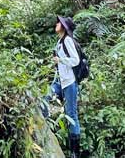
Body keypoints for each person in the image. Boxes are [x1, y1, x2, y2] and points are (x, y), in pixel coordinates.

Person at [42, 15, 82, 158]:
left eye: (59, 23)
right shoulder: (59, 41)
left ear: (64, 27)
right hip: (59, 81)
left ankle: (74, 153)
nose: (57, 24)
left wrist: (61, 60)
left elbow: (75, 60)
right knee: (44, 98)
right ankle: (45, 126)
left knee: (71, 115)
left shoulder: (68, 40)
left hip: (70, 83)